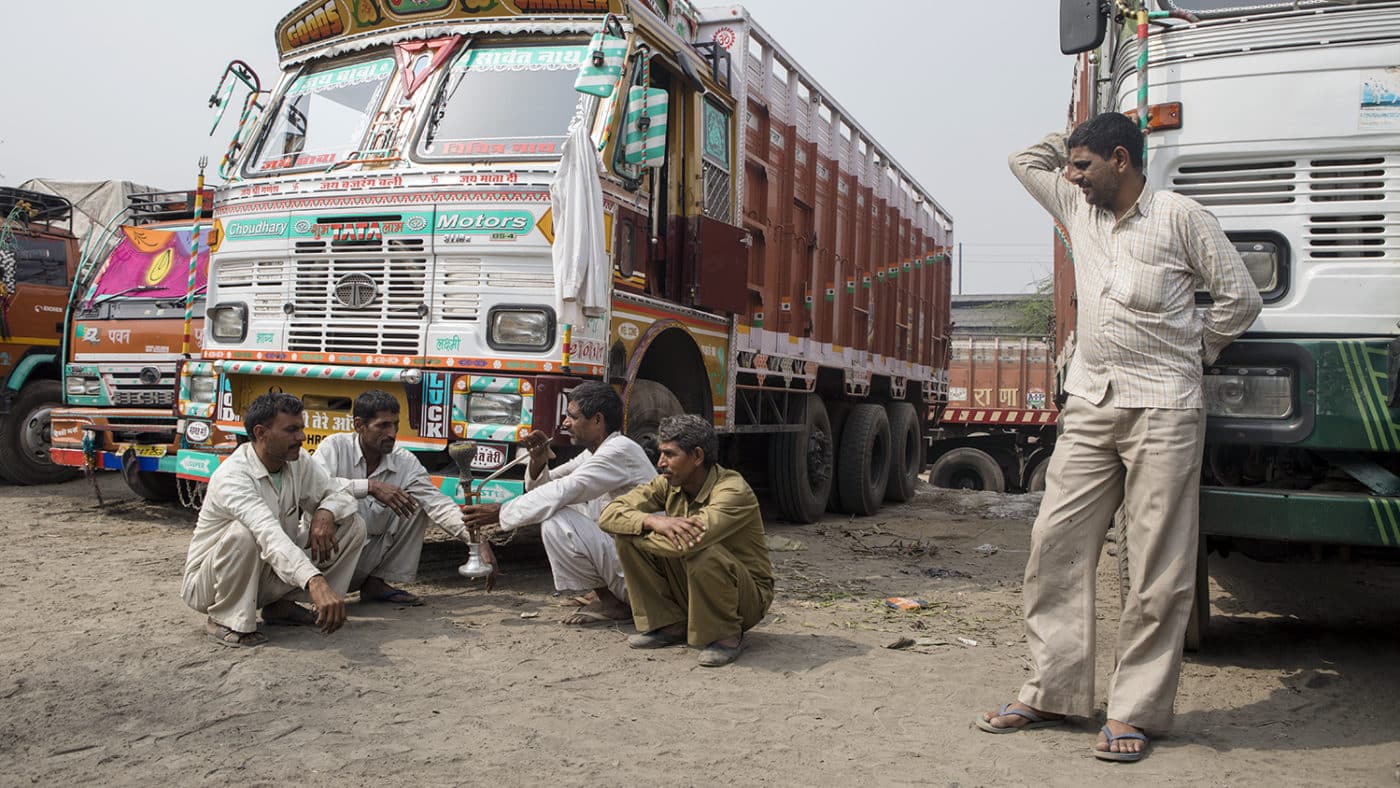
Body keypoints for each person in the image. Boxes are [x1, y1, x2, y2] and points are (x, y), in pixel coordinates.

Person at [977, 113, 1262, 760]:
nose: (1070, 178)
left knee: (1156, 565)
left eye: (1083, 165)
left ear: (1121, 160)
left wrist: (1196, 347)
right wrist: (1070, 134)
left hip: (1164, 407)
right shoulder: (1078, 209)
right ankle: (1053, 690)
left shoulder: (1180, 217)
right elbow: (1025, 159)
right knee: (1055, 543)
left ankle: (1133, 711)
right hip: (1089, 402)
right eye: (1069, 167)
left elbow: (1240, 300)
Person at [460, 381, 654, 625]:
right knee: (554, 506)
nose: (565, 423)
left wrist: (501, 512)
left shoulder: (618, 451)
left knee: (555, 519)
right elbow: (547, 488)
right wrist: (539, 461)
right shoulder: (595, 453)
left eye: (572, 417)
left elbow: (562, 491)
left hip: (642, 578)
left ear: (597, 420)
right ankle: (605, 593)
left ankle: (612, 601)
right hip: (629, 566)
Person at [182, 393, 366, 648]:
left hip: (265, 571)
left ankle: (285, 606)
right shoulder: (233, 476)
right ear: (260, 432)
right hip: (209, 586)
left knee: (352, 524)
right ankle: (224, 618)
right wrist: (314, 579)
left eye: (301, 428)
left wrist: (326, 512)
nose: (301, 437)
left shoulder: (297, 460)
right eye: (291, 430)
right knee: (244, 534)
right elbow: (268, 534)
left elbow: (335, 492)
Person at [599, 414, 772, 667]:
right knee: (628, 535)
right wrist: (652, 521)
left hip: (746, 598)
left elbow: (687, 543)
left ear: (697, 456)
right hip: (693, 582)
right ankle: (669, 624)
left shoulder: (733, 491)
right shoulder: (666, 484)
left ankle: (726, 636)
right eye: (661, 453)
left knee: (701, 553)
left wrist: (636, 534)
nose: (660, 463)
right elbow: (608, 514)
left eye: (670, 454)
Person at [311, 389, 471, 607]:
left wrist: (475, 541)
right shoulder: (334, 447)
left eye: (395, 425)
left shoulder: (404, 460)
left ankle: (376, 583)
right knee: (341, 504)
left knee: (415, 503)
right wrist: (370, 487)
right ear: (359, 425)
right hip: (327, 555)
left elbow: (438, 504)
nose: (392, 433)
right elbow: (315, 488)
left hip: (364, 558)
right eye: (383, 426)